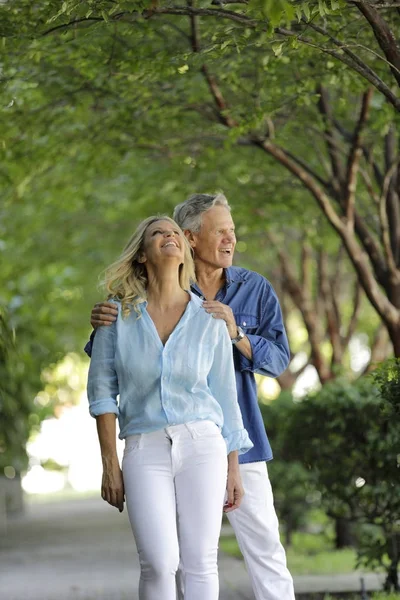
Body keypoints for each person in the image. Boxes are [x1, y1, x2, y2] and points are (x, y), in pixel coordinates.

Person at [88, 195, 296, 600]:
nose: (230, 240)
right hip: (153, 439)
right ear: (191, 239)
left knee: (261, 547)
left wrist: (236, 333)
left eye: (233, 232)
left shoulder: (250, 290)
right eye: (221, 231)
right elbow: (108, 368)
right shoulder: (135, 304)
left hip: (234, 440)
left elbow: (277, 361)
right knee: (169, 560)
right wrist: (101, 322)